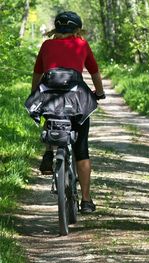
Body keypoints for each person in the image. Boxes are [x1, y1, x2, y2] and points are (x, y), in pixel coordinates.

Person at [31, 11, 106, 213]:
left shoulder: (46, 45)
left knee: (49, 114)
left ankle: (48, 151)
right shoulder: (81, 44)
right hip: (76, 98)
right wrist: (99, 93)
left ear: (56, 29)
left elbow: (38, 73)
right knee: (82, 148)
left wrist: (34, 94)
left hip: (49, 96)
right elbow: (94, 72)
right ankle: (86, 200)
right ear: (77, 29)